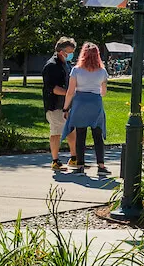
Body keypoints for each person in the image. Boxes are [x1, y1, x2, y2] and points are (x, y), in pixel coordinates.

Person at [63, 42, 109, 176]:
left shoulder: (76, 70)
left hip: (80, 103)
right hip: (95, 102)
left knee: (80, 135)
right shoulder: (102, 71)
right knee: (97, 135)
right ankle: (101, 165)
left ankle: (80, 166)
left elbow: (70, 91)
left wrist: (66, 108)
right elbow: (104, 92)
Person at [42, 37, 78, 171]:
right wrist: (70, 93)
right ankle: (55, 161)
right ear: (61, 51)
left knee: (71, 131)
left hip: (66, 105)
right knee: (56, 132)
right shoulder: (51, 66)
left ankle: (74, 158)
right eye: (70, 52)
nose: (71, 54)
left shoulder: (66, 64)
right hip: (54, 106)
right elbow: (52, 88)